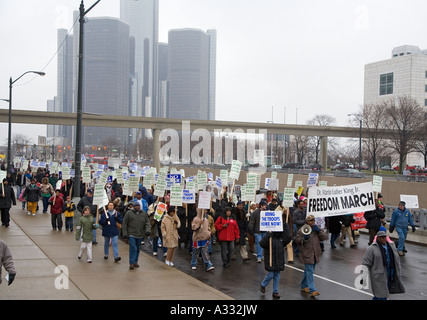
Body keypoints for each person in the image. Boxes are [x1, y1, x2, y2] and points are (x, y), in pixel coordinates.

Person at [362, 230, 402, 300]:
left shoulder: (391, 246)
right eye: (382, 237)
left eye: (385, 237)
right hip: (378, 276)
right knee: (382, 296)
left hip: (390, 274)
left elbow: (397, 259)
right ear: (378, 238)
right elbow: (366, 263)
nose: (384, 239)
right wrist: (363, 276)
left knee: (381, 295)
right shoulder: (372, 248)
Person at [295, 214, 328, 297]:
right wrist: (304, 238)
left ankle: (303, 285)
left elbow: (324, 237)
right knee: (310, 272)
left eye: (313, 220)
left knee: (309, 271)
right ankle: (313, 289)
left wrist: (318, 231)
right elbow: (297, 240)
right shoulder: (302, 230)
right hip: (307, 253)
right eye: (311, 221)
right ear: (307, 221)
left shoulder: (316, 229)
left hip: (315, 253)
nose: (312, 222)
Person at [259, 221, 292, 299]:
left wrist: (286, 226)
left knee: (277, 275)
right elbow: (262, 244)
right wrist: (268, 236)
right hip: (270, 259)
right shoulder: (269, 237)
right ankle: (263, 285)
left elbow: (288, 237)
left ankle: (275, 291)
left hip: (279, 259)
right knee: (271, 274)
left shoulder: (281, 238)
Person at [122, 200, 151, 270]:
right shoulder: (129, 213)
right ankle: (131, 262)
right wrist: (125, 233)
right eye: (136, 206)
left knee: (138, 249)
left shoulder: (143, 214)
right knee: (133, 248)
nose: (137, 207)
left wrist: (147, 230)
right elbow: (124, 224)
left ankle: (135, 261)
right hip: (131, 234)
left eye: (138, 206)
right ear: (133, 207)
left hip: (140, 234)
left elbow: (147, 223)